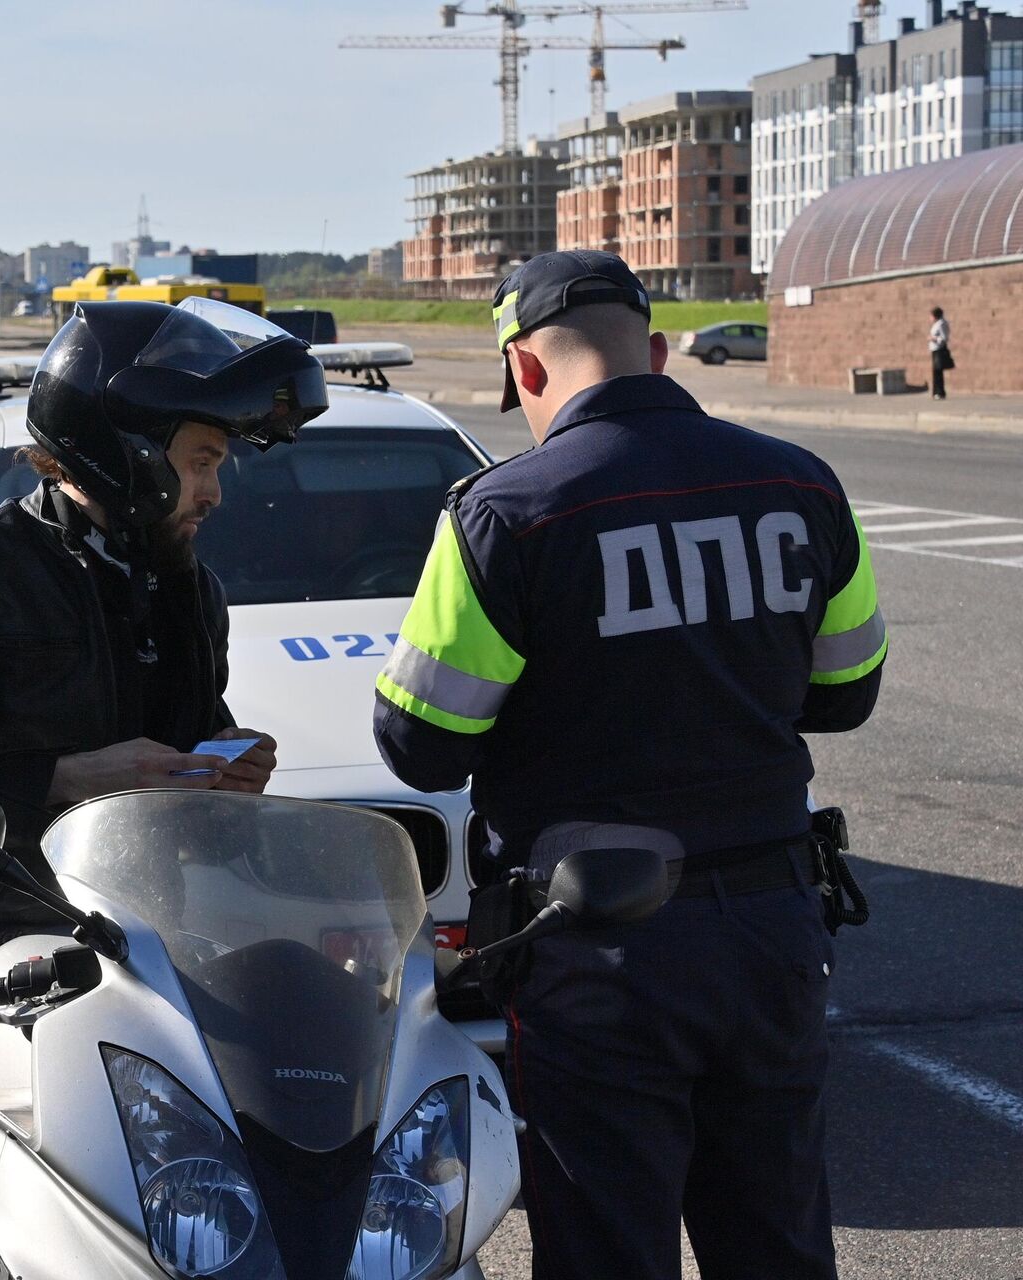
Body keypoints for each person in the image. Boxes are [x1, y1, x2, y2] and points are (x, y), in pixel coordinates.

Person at [373, 250, 885, 1280]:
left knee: (608, 1243)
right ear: (655, 350)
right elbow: (845, 693)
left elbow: (419, 738)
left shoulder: (504, 512)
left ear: (524, 369)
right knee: (778, 1235)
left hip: (601, 950)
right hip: (774, 930)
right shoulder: (801, 483)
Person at [0, 298, 328, 1279]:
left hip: (152, 955)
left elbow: (183, 732)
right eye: (203, 458)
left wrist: (222, 763)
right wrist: (55, 779)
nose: (214, 491)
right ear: (126, 446)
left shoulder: (186, 587)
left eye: (217, 462)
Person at [929, 305, 952, 399]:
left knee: (938, 372)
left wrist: (933, 338)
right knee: (936, 372)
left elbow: (944, 338)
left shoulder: (941, 324)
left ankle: (940, 392)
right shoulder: (937, 323)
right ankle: (936, 392)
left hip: (939, 349)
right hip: (934, 349)